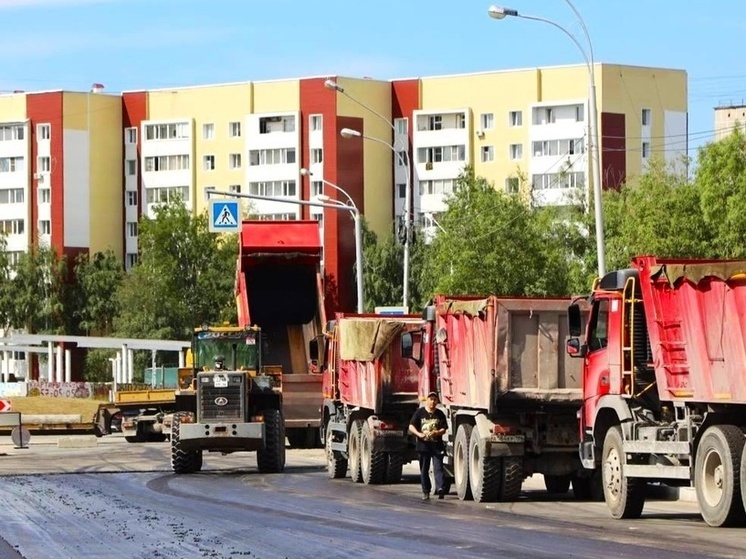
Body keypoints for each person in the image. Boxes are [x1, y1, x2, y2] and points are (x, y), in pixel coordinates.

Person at [408, 391, 448, 500]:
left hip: (436, 445)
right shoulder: (420, 413)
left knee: (438, 467)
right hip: (423, 445)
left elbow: (444, 429)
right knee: (424, 469)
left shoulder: (440, 414)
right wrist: (419, 434)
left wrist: (437, 433)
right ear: (427, 400)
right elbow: (411, 426)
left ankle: (440, 488)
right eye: (431, 399)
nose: (433, 402)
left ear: (437, 401)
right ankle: (426, 491)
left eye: (435, 400)